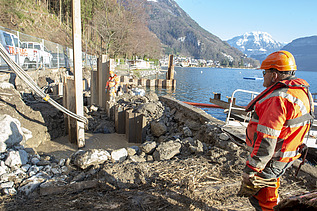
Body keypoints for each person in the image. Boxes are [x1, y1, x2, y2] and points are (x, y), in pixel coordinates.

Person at [238, 50, 315, 210]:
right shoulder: (301, 92)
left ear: (274, 75)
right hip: (286, 157)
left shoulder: (277, 99)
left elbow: (267, 138)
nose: (263, 76)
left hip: (271, 160)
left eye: (265, 72)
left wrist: (251, 169)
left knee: (262, 201)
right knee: (271, 189)